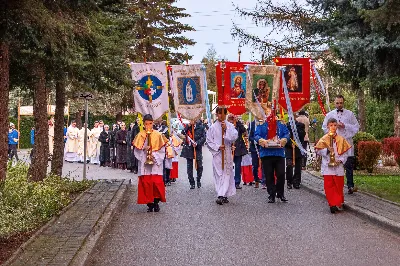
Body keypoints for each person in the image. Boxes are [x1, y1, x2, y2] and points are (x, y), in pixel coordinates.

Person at [322, 95, 360, 194]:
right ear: (334, 103)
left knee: (348, 165)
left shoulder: (350, 114)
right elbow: (324, 128)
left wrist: (344, 126)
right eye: (337, 103)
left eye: (341, 103)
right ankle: (336, 186)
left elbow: (356, 127)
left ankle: (350, 186)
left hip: (346, 142)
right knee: (335, 165)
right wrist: (333, 130)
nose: (339, 105)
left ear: (343, 103)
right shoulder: (329, 115)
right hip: (334, 144)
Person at [315, 118, 351, 213]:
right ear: (328, 126)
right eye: (331, 125)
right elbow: (318, 150)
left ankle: (338, 202)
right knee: (329, 186)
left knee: (338, 185)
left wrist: (341, 160)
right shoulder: (323, 139)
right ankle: (332, 204)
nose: (333, 127)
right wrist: (327, 150)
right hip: (327, 166)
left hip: (338, 166)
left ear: (337, 126)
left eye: (335, 125)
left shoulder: (341, 139)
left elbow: (345, 153)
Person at [133, 114, 167, 212]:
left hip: (155, 164)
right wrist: (143, 149)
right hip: (144, 163)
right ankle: (149, 203)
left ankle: (156, 202)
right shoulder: (140, 135)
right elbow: (136, 150)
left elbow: (162, 151)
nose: (148, 125)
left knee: (156, 183)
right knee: (146, 182)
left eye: (150, 123)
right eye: (146, 123)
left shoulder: (158, 135)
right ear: (143, 124)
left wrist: (154, 155)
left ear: (153, 123)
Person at [255, 108, 290, 203]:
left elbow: (287, 134)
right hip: (266, 153)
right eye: (268, 113)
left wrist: (284, 139)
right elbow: (256, 135)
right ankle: (271, 194)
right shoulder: (262, 124)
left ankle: (280, 193)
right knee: (269, 175)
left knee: (281, 174)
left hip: (279, 153)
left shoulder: (281, 124)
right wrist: (261, 140)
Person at [206, 107, 238, 205]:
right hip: (218, 154)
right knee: (219, 174)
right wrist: (218, 146)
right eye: (219, 114)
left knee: (226, 174)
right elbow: (209, 141)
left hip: (227, 153)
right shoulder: (212, 127)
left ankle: (221, 195)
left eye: (222, 114)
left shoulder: (229, 125)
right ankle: (222, 194)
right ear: (216, 114)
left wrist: (226, 129)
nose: (221, 116)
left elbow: (234, 137)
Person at [180, 119, 206, 189]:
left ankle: (198, 180)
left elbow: (204, 137)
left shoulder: (201, 127)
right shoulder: (188, 126)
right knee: (189, 167)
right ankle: (192, 183)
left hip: (197, 148)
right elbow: (183, 132)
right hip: (189, 149)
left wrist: (197, 143)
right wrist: (188, 126)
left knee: (199, 166)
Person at [228, 114, 248, 189]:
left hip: (238, 148)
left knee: (237, 166)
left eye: (232, 119)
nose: (232, 120)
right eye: (230, 119)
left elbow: (244, 131)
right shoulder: (227, 125)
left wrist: (238, 122)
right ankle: (229, 181)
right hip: (229, 148)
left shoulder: (238, 125)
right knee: (229, 166)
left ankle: (237, 182)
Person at [285, 119, 306, 189]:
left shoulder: (300, 125)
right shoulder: (286, 126)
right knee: (289, 165)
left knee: (298, 167)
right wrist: (290, 143)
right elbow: (284, 137)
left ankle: (296, 182)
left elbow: (302, 135)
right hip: (289, 148)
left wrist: (295, 129)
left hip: (298, 148)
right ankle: (289, 181)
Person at [248, 120, 262, 188]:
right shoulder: (252, 124)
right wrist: (254, 140)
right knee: (255, 165)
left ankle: (264, 181)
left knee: (263, 165)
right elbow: (249, 136)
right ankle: (256, 179)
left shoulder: (263, 123)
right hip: (254, 148)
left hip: (262, 147)